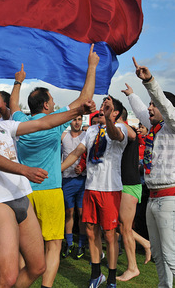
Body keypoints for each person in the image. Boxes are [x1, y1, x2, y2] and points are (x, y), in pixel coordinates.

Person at [0, 86, 95, 287]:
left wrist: (78, 111)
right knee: (7, 277)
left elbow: (43, 123)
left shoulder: (4, 126)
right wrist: (24, 170)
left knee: (37, 267)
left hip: (22, 198)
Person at [10, 44, 99, 288]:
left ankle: (22, 282)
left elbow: (13, 107)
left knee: (23, 244)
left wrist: (18, 82)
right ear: (48, 106)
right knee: (53, 244)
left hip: (24, 192)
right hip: (49, 191)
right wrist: (91, 66)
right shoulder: (54, 122)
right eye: (52, 99)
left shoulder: (20, 123)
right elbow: (84, 98)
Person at [122, 57, 175, 287]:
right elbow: (142, 112)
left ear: (165, 108)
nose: (150, 107)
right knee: (160, 257)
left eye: (153, 104)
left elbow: (163, 104)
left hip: (172, 197)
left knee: (173, 256)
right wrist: (132, 95)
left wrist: (150, 81)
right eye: (150, 104)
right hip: (154, 197)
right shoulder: (158, 128)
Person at [62, 96, 128, 288]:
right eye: (102, 105)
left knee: (109, 234)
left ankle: (112, 278)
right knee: (91, 232)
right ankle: (96, 275)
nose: (103, 107)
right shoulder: (91, 130)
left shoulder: (120, 128)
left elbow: (115, 135)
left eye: (108, 107)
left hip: (109, 189)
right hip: (91, 188)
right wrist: (58, 171)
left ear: (115, 113)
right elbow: (77, 153)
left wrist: (108, 119)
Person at [116, 108, 151, 282]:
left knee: (125, 228)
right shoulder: (116, 131)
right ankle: (145, 243)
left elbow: (131, 133)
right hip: (121, 184)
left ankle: (132, 268)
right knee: (116, 225)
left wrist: (116, 120)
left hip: (129, 184)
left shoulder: (127, 130)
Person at [61, 115, 88, 260]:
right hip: (67, 180)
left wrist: (82, 167)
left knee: (82, 213)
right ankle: (70, 243)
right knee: (69, 213)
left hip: (83, 179)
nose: (77, 122)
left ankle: (81, 244)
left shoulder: (86, 135)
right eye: (74, 119)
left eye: (79, 119)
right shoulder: (63, 136)